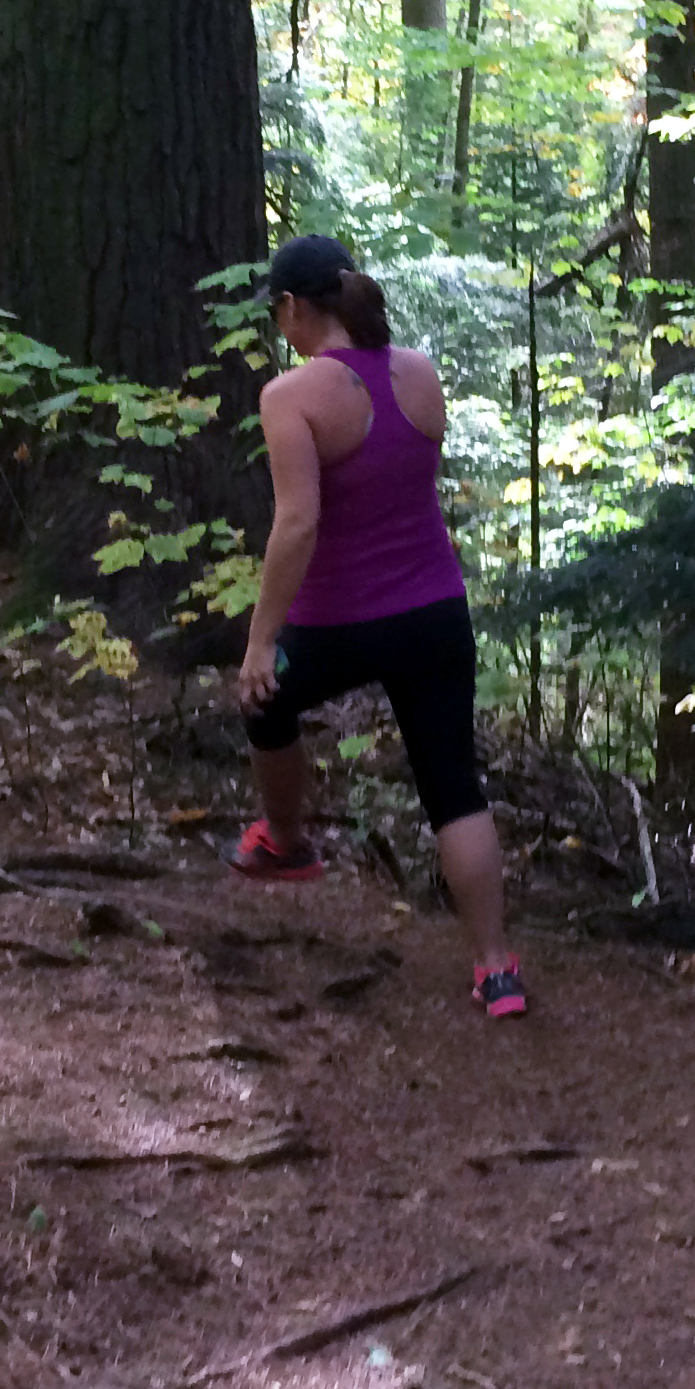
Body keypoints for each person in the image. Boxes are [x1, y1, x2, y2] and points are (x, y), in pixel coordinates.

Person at [225, 235, 524, 1019]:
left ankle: (282, 842)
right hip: (433, 613)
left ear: (292, 307)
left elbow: (297, 527)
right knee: (452, 786)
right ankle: (496, 970)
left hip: (338, 624)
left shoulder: (289, 396)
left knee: (264, 699)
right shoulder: (418, 374)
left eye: (276, 311)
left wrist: (261, 640)